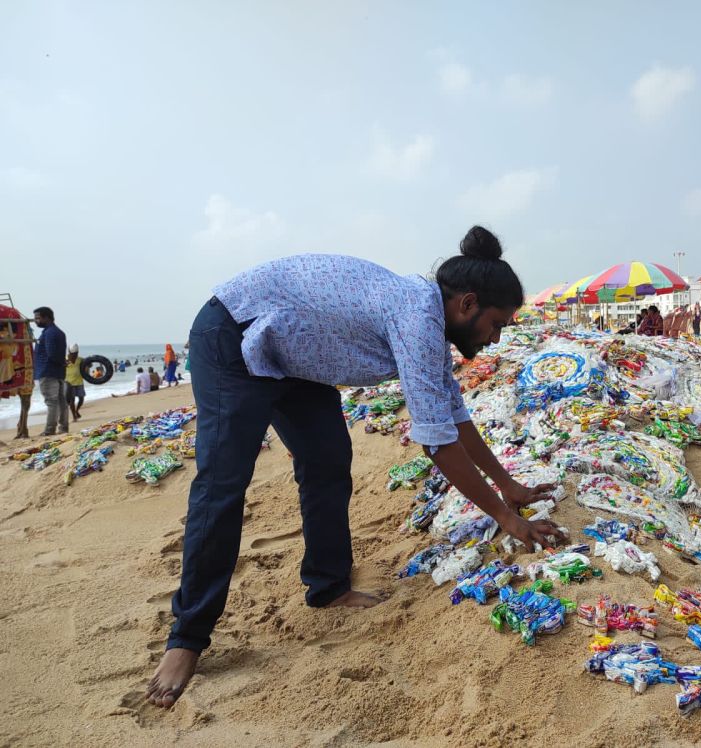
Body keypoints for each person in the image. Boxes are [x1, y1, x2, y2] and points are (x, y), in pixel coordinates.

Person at [146, 226, 566, 709]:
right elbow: (438, 445)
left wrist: (509, 487)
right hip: (234, 334)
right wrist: (505, 518)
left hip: (294, 357)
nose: (495, 339)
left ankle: (328, 587)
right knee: (223, 482)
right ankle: (187, 638)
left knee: (328, 461)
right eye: (497, 324)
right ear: (467, 304)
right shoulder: (416, 317)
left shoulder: (427, 318)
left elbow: (453, 415)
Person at [32, 306, 69, 436]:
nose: (36, 321)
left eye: (38, 318)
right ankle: (63, 427)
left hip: (47, 371)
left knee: (51, 402)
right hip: (58, 371)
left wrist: (60, 362)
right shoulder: (58, 332)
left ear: (46, 318)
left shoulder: (49, 333)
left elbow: (52, 354)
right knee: (61, 401)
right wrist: (62, 363)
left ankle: (49, 429)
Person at [64, 344, 86, 420]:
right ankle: (74, 417)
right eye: (73, 354)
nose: (74, 355)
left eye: (76, 354)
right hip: (69, 383)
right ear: (69, 352)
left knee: (81, 398)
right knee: (72, 400)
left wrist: (89, 364)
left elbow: (89, 363)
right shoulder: (65, 360)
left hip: (79, 382)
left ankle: (77, 411)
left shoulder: (80, 359)